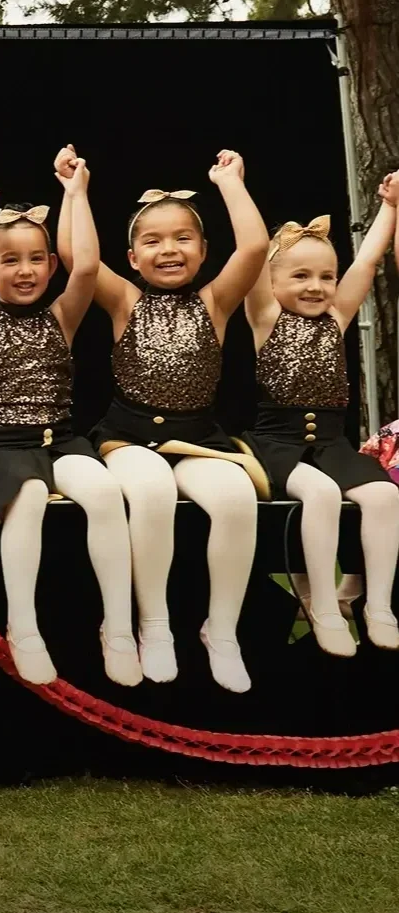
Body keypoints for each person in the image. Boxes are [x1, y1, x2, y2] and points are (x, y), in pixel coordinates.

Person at [58, 145, 269, 692]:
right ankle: (153, 625)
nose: (169, 249)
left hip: (197, 437)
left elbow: (255, 246)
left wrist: (230, 183)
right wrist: (75, 192)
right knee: (150, 490)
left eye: (182, 238)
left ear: (203, 251)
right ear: (132, 257)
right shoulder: (125, 300)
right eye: (152, 241)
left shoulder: (216, 302)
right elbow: (76, 258)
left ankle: (222, 630)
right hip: (129, 436)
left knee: (237, 497)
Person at [0, 155, 140, 686]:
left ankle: (118, 628)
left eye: (36, 259)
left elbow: (86, 267)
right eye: (10, 260)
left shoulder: (63, 316)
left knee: (104, 493)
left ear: (50, 264)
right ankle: (24, 627)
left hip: (61, 440)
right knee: (30, 497)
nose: (25, 271)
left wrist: (75, 193)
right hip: (5, 444)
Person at [240, 174, 399, 654]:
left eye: (327, 277)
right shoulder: (265, 317)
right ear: (271, 282)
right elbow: (251, 255)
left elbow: (366, 261)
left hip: (332, 444)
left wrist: (390, 206)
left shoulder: (337, 318)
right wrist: (236, 186)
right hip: (279, 443)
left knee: (384, 496)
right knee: (322, 494)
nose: (316, 286)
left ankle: (378, 606)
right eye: (300, 276)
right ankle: (324, 606)